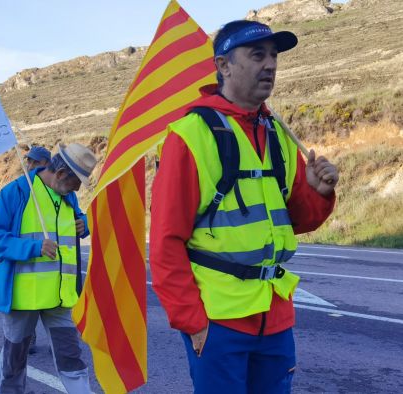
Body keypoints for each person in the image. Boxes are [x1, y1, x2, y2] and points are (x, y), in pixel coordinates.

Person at [149, 20, 340, 393]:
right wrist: (193, 322)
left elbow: (295, 220)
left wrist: (317, 192)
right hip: (218, 320)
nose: (270, 64)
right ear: (224, 65)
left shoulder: (276, 132)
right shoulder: (190, 136)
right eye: (257, 55)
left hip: (275, 315)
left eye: (273, 56)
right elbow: (165, 242)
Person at [0, 143, 97, 394]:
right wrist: (33, 248)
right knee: (14, 361)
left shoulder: (68, 195)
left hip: (59, 296)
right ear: (59, 174)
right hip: (24, 298)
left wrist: (84, 224)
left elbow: (77, 220)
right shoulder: (17, 192)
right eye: (75, 184)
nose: (76, 191)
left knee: (71, 356)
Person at [22, 145, 52, 355]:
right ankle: (29, 335)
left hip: (54, 263)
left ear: (45, 164)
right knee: (31, 301)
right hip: (30, 259)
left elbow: (78, 215)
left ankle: (57, 341)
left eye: (34, 162)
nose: (29, 165)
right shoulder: (19, 189)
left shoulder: (59, 188)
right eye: (28, 161)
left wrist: (83, 223)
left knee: (54, 305)